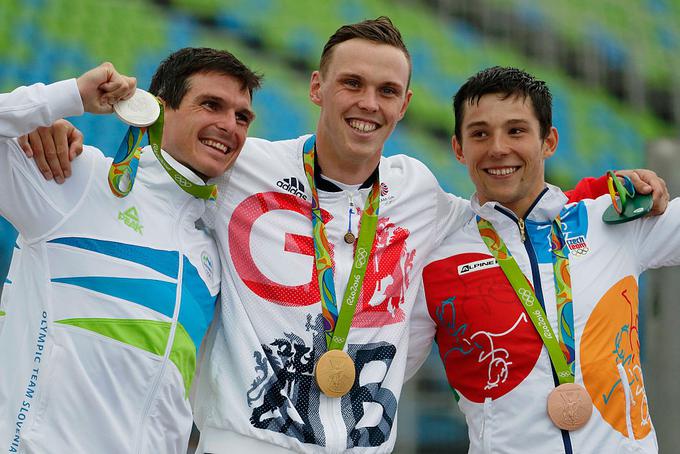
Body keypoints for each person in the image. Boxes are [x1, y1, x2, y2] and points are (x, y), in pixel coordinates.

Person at [18, 18, 668, 453]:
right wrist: (54, 122)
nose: (368, 102)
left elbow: (508, 206)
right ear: (318, 87)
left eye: (387, 90)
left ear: (406, 103)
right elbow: (169, 154)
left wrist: (598, 194)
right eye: (352, 83)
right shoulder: (241, 163)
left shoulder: (419, 195)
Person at [0, 48, 261, 453]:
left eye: (242, 117)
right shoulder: (77, 177)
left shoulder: (213, 248)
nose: (229, 125)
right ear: (157, 109)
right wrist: (66, 98)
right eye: (211, 105)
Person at [408, 66, 671, 453]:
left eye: (516, 130)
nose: (498, 147)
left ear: (548, 141)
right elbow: (384, 365)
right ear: (459, 148)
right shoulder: (436, 260)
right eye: (480, 133)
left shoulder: (612, 220)